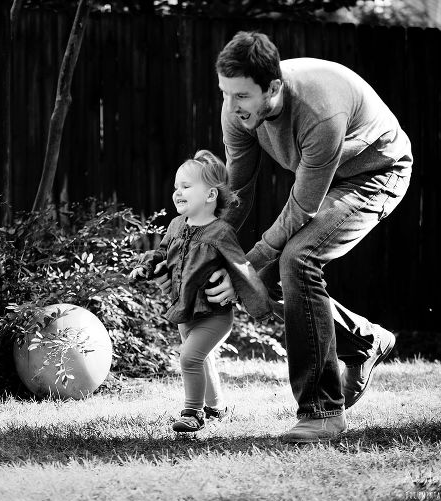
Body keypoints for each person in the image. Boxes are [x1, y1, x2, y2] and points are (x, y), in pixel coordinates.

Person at [158, 31, 412, 443]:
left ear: (273, 87)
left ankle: (322, 412)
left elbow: (302, 208)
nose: (231, 106)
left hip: (375, 173)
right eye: (225, 93)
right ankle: (365, 342)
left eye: (241, 95)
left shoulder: (320, 112)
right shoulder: (237, 111)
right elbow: (235, 194)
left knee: (296, 257)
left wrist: (244, 268)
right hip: (327, 179)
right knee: (269, 273)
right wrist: (208, 258)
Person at [130, 149, 271, 433]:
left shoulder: (220, 232)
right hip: (185, 310)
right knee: (201, 359)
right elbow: (162, 253)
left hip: (214, 315)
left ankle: (192, 413)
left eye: (186, 186)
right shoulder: (175, 225)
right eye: (176, 187)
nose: (177, 192)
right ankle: (216, 408)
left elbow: (240, 267)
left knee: (189, 357)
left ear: (210, 195)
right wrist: (147, 266)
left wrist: (259, 305)